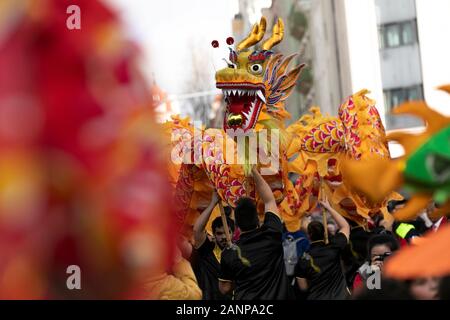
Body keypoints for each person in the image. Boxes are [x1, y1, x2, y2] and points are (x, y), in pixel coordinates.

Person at [218, 166, 292, 300]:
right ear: (258, 219)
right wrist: (253, 170)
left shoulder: (229, 253)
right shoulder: (272, 234)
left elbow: (225, 288)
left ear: (237, 225)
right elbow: (269, 200)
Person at [294, 197, 351, 300]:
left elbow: (303, 288)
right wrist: (328, 208)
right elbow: (345, 226)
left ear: (308, 236)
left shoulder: (303, 260)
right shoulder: (334, 246)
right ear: (325, 233)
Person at [191, 191, 235, 300]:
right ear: (214, 235)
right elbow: (197, 230)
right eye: (219, 233)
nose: (224, 237)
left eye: (227, 232)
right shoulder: (207, 250)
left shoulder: (239, 253)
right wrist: (213, 203)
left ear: (233, 233)